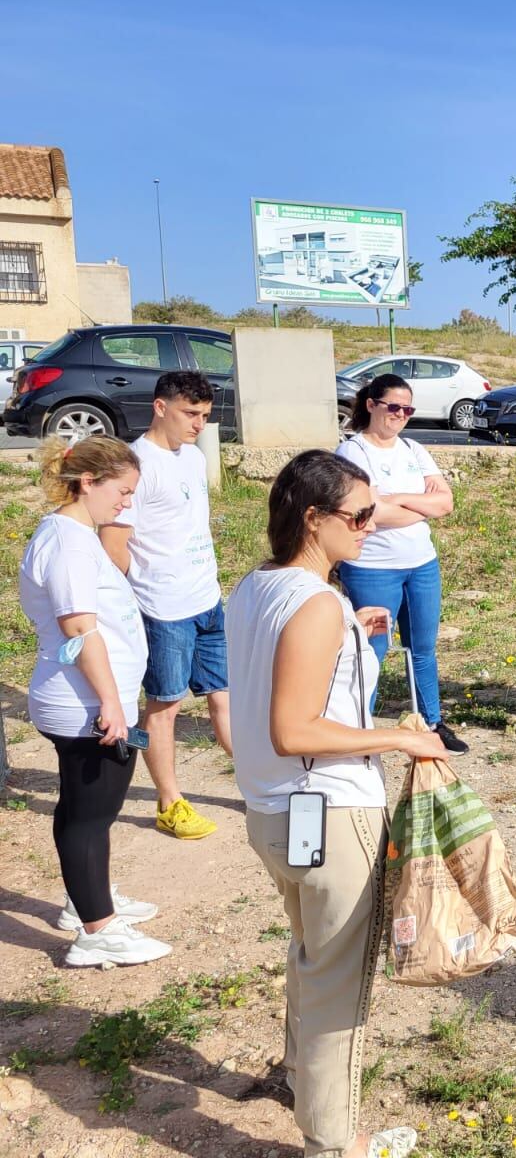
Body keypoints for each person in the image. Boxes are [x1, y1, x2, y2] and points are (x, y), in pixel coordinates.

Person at [227, 449, 445, 1158]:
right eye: (357, 516)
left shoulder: (258, 588)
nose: (369, 527)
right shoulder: (319, 604)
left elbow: (281, 688)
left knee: (310, 955)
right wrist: (402, 739)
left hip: (274, 813)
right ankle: (335, 1140)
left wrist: (358, 638)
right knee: (340, 984)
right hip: (329, 811)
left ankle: (299, 1078)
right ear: (312, 517)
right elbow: (297, 728)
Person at [21, 437, 171, 966]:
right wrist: (111, 701)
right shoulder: (67, 542)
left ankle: (84, 899)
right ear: (88, 481)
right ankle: (96, 930)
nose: (125, 503)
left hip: (91, 699)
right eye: (122, 491)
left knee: (91, 812)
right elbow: (80, 628)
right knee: (89, 815)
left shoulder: (76, 535)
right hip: (84, 703)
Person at [100, 371, 230, 841]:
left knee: (224, 696)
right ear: (160, 407)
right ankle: (169, 802)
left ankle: (257, 785)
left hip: (207, 599)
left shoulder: (193, 457)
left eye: (205, 416)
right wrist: (141, 595)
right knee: (166, 706)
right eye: (190, 414)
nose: (199, 424)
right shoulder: (137, 462)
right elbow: (116, 541)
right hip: (164, 607)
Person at [334, 373, 466, 754]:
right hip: (373, 567)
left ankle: (432, 723)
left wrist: (398, 500)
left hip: (421, 564)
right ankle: (360, 726)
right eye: (393, 407)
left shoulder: (412, 449)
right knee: (370, 649)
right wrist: (419, 508)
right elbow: (368, 510)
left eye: (408, 409)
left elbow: (445, 503)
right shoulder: (353, 453)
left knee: (422, 648)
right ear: (371, 405)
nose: (401, 415)